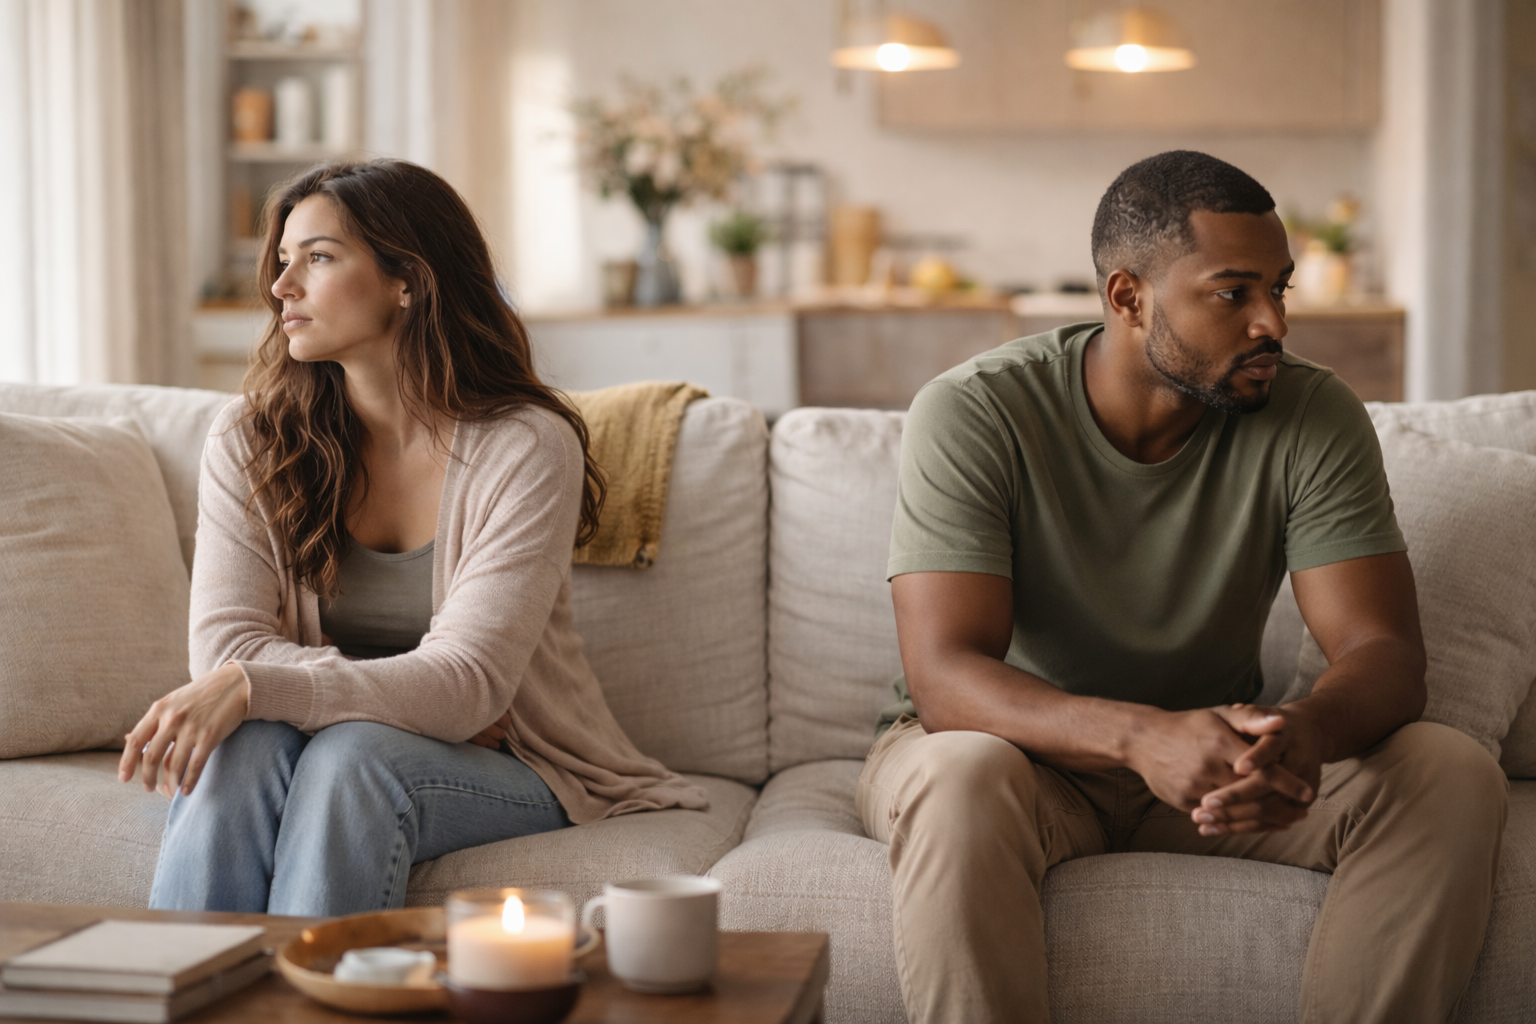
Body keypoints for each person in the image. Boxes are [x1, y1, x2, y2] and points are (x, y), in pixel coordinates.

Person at [859, 150, 1508, 1024]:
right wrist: (1141, 738)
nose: (1273, 321)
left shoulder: (1312, 414)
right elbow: (944, 675)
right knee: (961, 774)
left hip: (1219, 767)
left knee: (1448, 767)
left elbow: (1383, 652)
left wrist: (1299, 735)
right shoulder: (977, 412)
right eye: (1233, 292)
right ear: (1128, 297)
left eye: (1280, 288)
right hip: (1017, 760)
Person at [119, 159, 707, 916]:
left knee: (352, 757)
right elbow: (225, 656)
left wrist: (264, 682)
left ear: (408, 279)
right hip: (353, 740)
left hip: (522, 759)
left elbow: (466, 687)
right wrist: (395, 693)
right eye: (284, 260)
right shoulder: (252, 438)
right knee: (243, 746)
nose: (281, 286)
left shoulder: (523, 445)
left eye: (319, 257)